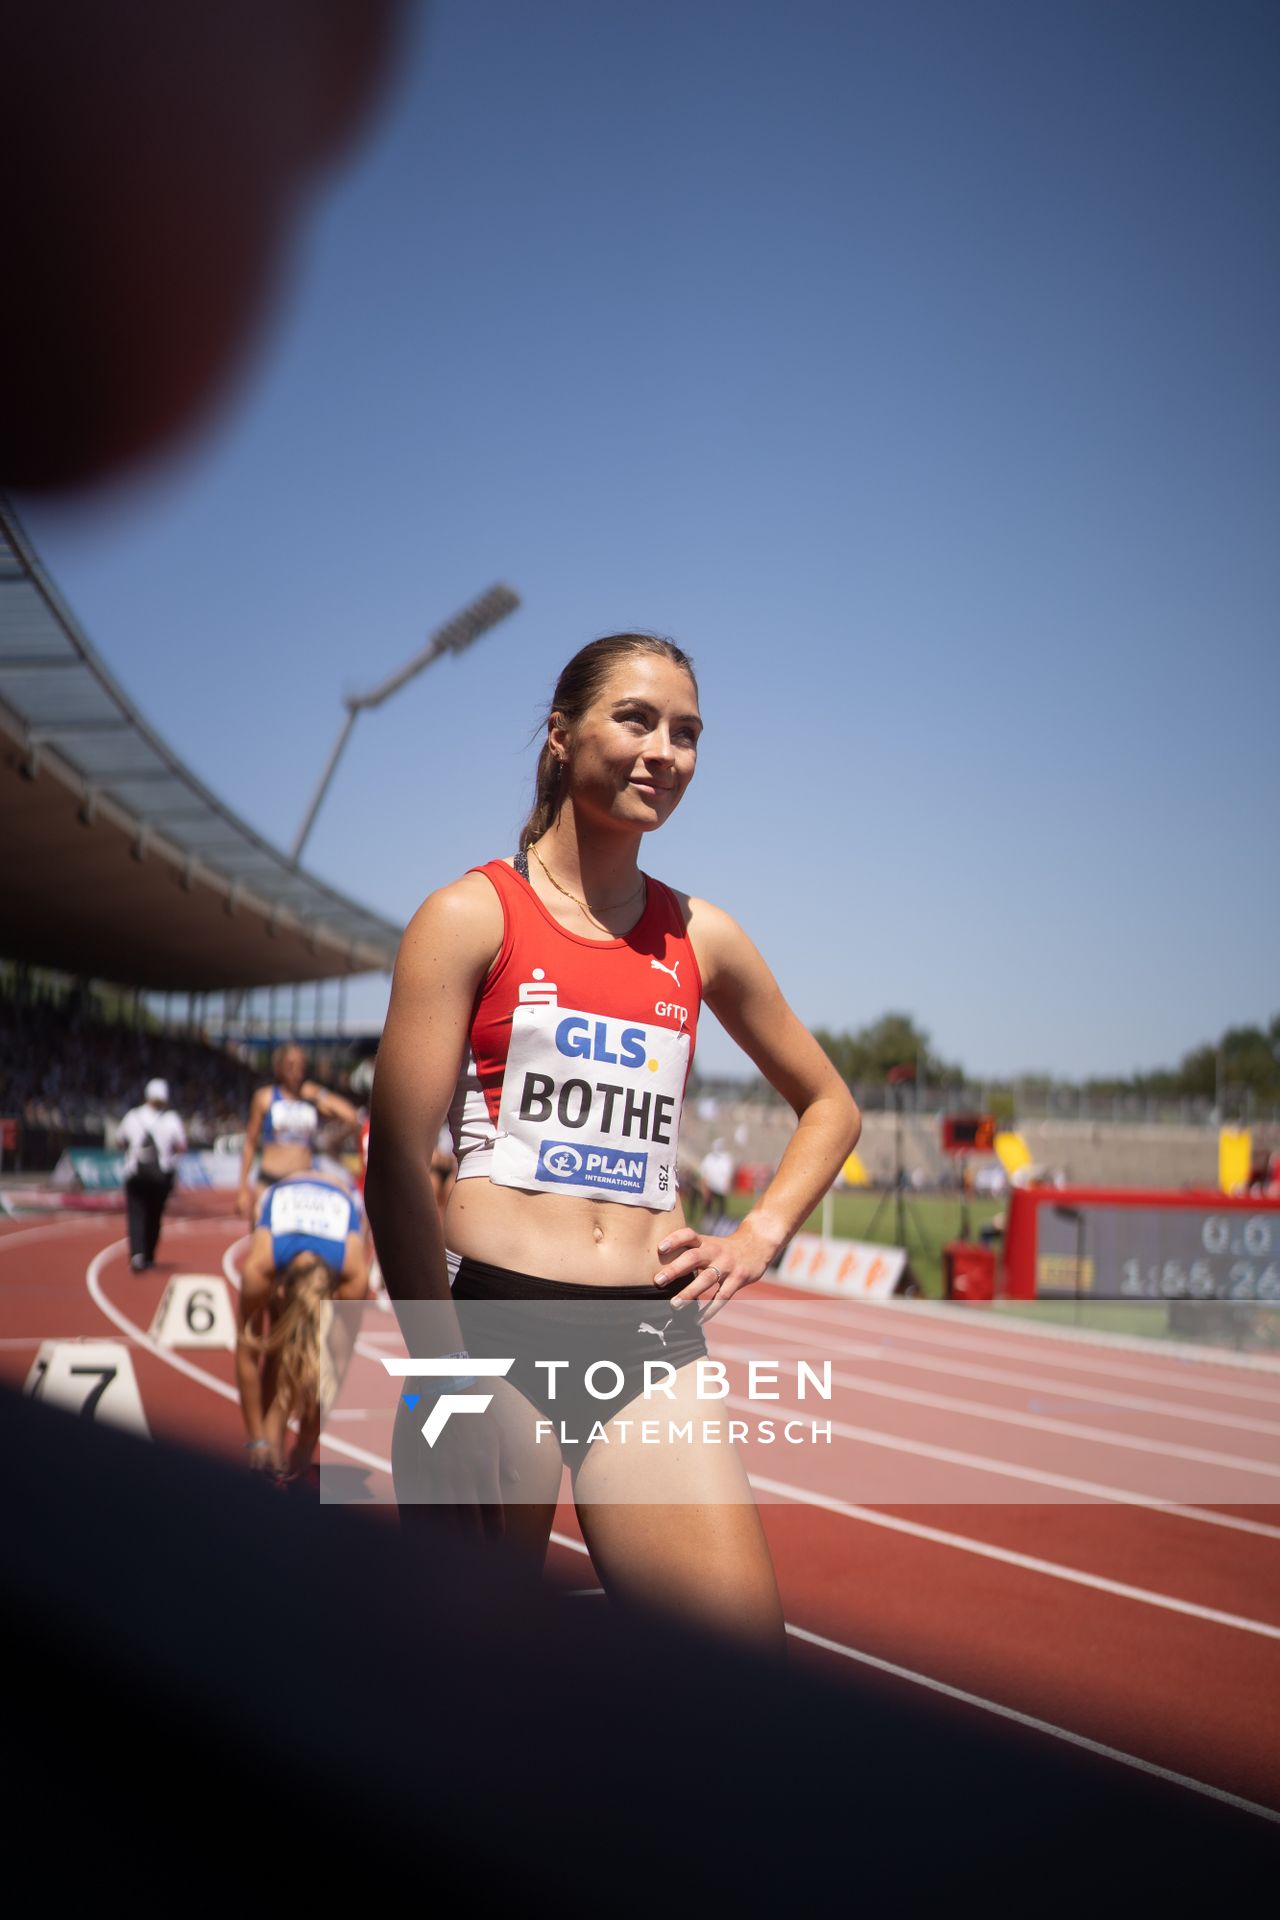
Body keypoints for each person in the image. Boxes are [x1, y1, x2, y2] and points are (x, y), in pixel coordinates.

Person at [365, 632, 860, 1657]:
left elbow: (830, 1106)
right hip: (494, 1328)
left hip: (643, 1338)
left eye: (685, 733)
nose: (663, 752)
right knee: (469, 1690)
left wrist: (758, 1233)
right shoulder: (468, 917)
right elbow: (397, 1164)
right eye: (635, 720)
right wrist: (444, 1376)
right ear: (559, 735)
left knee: (738, 1684)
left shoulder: (699, 936)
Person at [236, 1167, 369, 1480]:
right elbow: (247, 1353)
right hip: (282, 1195)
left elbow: (338, 1366)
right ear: (278, 1291)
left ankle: (288, 1447)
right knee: (278, 1346)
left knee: (319, 1358)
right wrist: (255, 1440)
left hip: (340, 1197)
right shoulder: (260, 1268)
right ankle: (271, 1442)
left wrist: (307, 1445)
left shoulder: (352, 1273)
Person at [236, 1042, 360, 1221]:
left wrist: (318, 1094)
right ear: (279, 1068)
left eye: (301, 1065)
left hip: (301, 1185)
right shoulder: (265, 1098)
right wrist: (242, 1189)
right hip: (270, 1181)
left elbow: (351, 1116)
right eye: (291, 1065)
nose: (297, 1070)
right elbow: (250, 1143)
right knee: (262, 1245)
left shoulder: (310, 1097)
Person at [116, 1077, 187, 1272]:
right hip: (161, 1175)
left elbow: (119, 1141)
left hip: (135, 1173)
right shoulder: (171, 1119)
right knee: (154, 1216)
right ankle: (148, 1256)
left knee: (136, 1215)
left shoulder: (132, 1116)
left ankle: (137, 1254)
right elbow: (182, 1146)